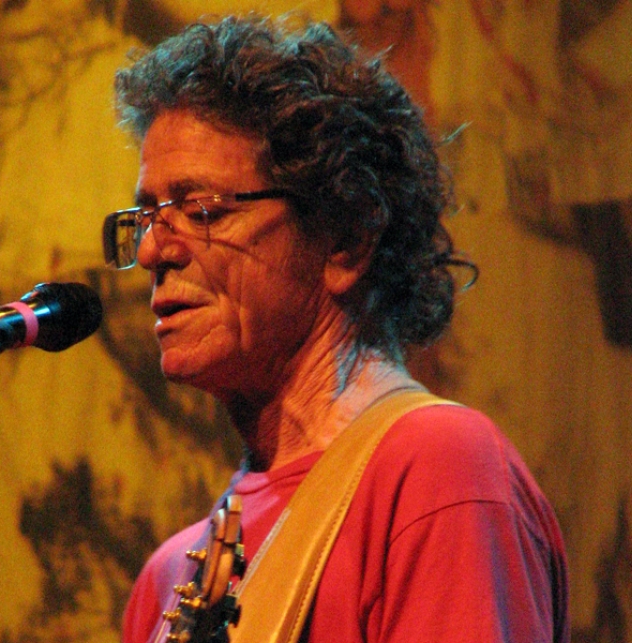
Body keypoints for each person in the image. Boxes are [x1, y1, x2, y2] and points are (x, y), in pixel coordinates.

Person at [102, 15, 569, 643]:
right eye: (147, 216)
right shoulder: (167, 581)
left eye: (201, 210)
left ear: (346, 239)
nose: (153, 251)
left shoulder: (439, 471)